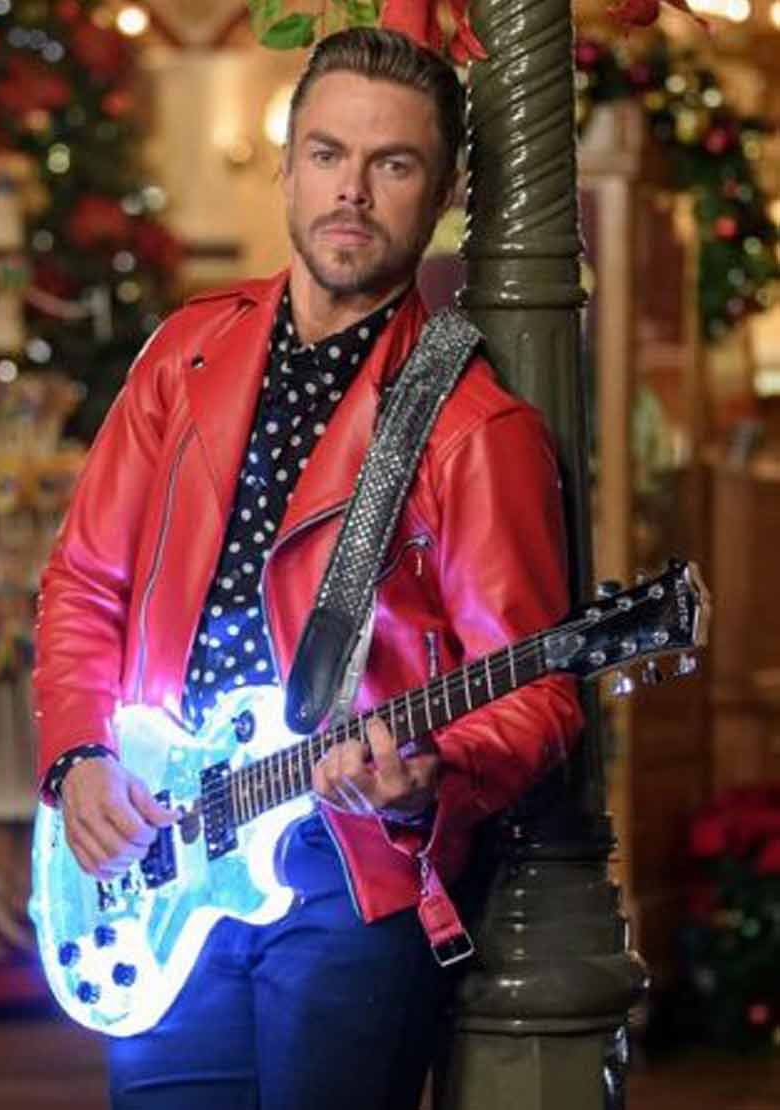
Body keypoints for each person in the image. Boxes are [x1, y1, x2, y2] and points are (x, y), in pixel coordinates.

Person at [33, 25, 583, 1110]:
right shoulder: (185, 354)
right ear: (288, 167)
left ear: (444, 193)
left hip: (350, 874)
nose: (352, 193)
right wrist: (80, 755)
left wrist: (437, 769)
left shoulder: (476, 428)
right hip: (163, 838)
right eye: (329, 154)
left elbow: (539, 690)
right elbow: (84, 583)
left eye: (394, 164)